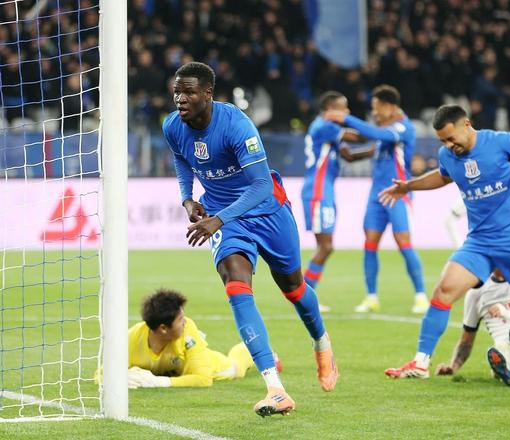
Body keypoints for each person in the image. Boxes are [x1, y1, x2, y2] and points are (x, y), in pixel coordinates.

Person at [162, 62, 338, 417]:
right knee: (236, 287)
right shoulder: (172, 126)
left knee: (293, 288)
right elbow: (181, 158)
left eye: (189, 92)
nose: (180, 99)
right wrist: (188, 199)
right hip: (224, 220)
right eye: (177, 92)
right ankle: (275, 388)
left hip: (266, 210)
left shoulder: (236, 125)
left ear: (208, 94)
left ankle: (321, 341)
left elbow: (260, 186)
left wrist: (217, 220)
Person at [379, 104, 510, 380]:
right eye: (443, 141)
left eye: (451, 138)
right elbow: (443, 176)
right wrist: (408, 186)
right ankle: (421, 363)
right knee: (444, 290)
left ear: (466, 124)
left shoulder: (500, 141)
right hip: (479, 242)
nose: (448, 145)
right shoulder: (447, 155)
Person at [325, 85, 429, 314]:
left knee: (403, 242)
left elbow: (377, 135)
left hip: (398, 193)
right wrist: (352, 155)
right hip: (376, 195)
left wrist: (345, 118)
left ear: (389, 107)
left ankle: (421, 296)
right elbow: (375, 147)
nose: (374, 113)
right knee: (370, 243)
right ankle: (371, 297)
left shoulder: (403, 127)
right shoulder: (386, 129)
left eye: (376, 108)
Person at [421, 271, 510, 387]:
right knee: (502, 347)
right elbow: (466, 341)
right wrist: (452, 367)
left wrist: (507, 313)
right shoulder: (476, 293)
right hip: (508, 347)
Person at [301, 91, 375, 312]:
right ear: (330, 110)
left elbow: (349, 155)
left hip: (325, 192)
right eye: (343, 108)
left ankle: (305, 295)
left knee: (325, 246)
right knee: (326, 246)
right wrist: (378, 135)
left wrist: (374, 151)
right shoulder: (324, 126)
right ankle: (304, 296)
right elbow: (361, 136)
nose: (347, 112)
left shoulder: (329, 132)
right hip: (318, 191)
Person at [127, 288, 270, 388]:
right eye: (180, 320)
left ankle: (257, 349)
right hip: (178, 372)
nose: (185, 322)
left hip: (214, 365)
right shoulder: (131, 338)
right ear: (163, 328)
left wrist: (157, 382)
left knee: (236, 368)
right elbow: (112, 373)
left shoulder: (188, 329)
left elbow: (203, 379)